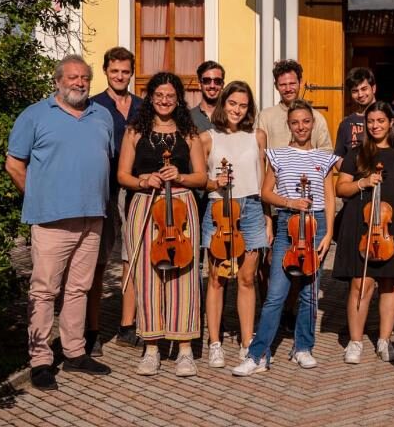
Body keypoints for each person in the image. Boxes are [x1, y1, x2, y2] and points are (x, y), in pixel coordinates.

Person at [5, 55, 114, 390]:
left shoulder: (102, 115)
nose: (79, 83)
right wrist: (39, 197)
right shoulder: (36, 115)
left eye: (84, 77)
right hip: (51, 220)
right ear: (57, 81)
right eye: (72, 77)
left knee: (79, 288)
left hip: (91, 216)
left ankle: (75, 351)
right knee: (44, 290)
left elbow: (102, 160)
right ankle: (40, 360)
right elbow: (13, 164)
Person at [233, 100, 339, 375]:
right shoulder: (278, 154)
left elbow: (329, 196)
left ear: (312, 123)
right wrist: (291, 203)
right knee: (276, 294)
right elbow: (266, 192)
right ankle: (258, 354)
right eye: (295, 122)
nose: (301, 127)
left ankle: (303, 347)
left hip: (315, 226)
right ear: (288, 125)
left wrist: (328, 233)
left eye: (306, 121)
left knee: (309, 294)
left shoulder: (323, 156)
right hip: (287, 227)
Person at [115, 72, 208, 377]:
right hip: (145, 204)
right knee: (146, 276)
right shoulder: (134, 131)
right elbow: (123, 176)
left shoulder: (190, 132)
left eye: (170, 96)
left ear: (178, 99)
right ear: (151, 98)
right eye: (159, 96)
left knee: (184, 273)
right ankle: (152, 346)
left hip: (182, 207)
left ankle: (183, 349)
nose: (165, 101)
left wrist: (179, 176)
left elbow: (201, 178)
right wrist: (144, 179)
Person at [199, 81, 271, 369]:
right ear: (223, 103)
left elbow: (264, 178)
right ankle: (215, 342)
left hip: (252, 207)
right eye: (232, 103)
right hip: (219, 208)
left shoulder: (258, 135)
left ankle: (246, 342)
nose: (237, 110)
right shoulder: (207, 137)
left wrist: (267, 217)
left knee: (246, 278)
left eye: (243, 105)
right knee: (217, 279)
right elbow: (198, 179)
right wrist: (215, 182)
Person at [334, 102, 394, 364]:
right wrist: (362, 182)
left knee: (390, 284)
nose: (375, 126)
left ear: (391, 122)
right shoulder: (356, 153)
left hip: (392, 224)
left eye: (380, 121)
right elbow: (340, 189)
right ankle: (355, 342)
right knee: (361, 283)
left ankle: (384, 340)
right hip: (361, 224)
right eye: (371, 121)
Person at [86, 47, 144, 355]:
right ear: (106, 71)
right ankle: (91, 331)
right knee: (97, 263)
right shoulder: (92, 106)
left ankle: (127, 326)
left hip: (134, 192)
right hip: (102, 192)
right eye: (115, 71)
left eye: (125, 71)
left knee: (130, 260)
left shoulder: (141, 107)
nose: (120, 76)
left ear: (131, 73)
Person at [257, 59, 334, 149]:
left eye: (292, 83)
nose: (288, 89)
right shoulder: (265, 117)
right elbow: (260, 155)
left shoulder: (317, 117)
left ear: (300, 82)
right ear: (276, 86)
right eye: (283, 85)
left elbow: (326, 152)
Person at [335, 67, 378, 159]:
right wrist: (349, 172)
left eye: (364, 89)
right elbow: (338, 157)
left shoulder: (391, 117)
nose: (360, 95)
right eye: (355, 91)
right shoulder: (346, 123)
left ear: (373, 88)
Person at [190, 61, 225, 133]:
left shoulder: (231, 117)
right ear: (199, 84)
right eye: (207, 81)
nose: (212, 86)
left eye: (217, 81)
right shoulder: (188, 118)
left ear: (222, 85)